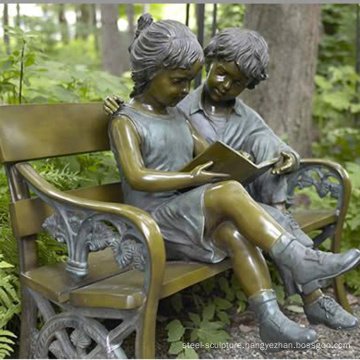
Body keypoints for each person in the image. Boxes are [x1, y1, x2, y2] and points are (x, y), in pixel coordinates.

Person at [108, 14, 360, 348]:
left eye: (189, 81)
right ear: (150, 72)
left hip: (183, 218)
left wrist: (239, 167)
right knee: (228, 191)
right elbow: (137, 177)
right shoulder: (126, 121)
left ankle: (269, 318)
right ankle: (301, 261)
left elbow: (211, 152)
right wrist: (193, 176)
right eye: (179, 81)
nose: (185, 89)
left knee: (235, 232)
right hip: (150, 222)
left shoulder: (178, 116)